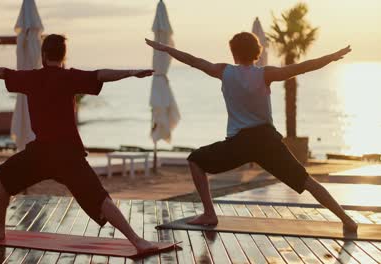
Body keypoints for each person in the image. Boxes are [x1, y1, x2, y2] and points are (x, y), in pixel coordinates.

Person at [145, 32, 358, 233]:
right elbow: (301, 67)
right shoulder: (266, 74)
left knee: (195, 160)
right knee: (307, 181)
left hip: (240, 143)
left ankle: (209, 213)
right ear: (257, 51)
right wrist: (331, 57)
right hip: (267, 141)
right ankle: (346, 219)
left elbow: (193, 60)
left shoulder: (224, 71)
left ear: (234, 52)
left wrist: (165, 48)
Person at [0, 34, 158, 253]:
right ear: (63, 56)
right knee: (100, 198)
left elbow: (1, 73)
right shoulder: (70, 77)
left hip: (41, 154)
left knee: (2, 177)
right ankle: (137, 241)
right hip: (67, 154)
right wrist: (131, 73)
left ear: (44, 55)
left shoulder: (32, 78)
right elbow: (101, 75)